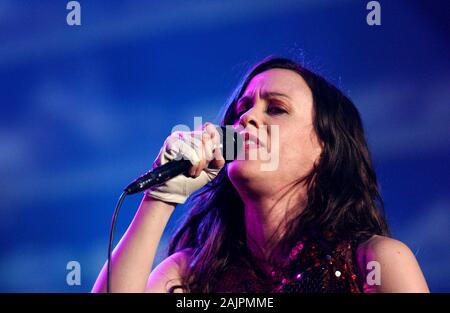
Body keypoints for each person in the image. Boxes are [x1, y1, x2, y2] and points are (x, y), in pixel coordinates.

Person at [92, 57, 429, 293]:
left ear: (323, 149)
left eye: (276, 109)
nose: (248, 118)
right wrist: (161, 197)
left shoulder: (374, 263)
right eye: (242, 109)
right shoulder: (191, 276)